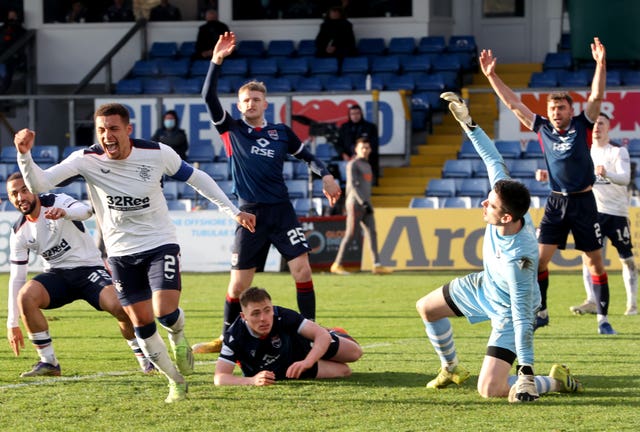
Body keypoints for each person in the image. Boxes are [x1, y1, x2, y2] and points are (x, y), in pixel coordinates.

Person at [13, 103, 256, 403]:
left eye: (113, 129)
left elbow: (197, 178)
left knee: (165, 312)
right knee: (141, 324)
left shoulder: (156, 153)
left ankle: (178, 336)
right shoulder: (86, 159)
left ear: (128, 130)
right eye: (101, 130)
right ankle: (174, 381)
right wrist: (24, 154)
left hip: (159, 242)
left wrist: (232, 212)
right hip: (120, 254)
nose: (107, 136)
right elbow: (39, 183)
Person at [416, 92, 584, 402]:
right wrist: (469, 123)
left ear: (506, 217)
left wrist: (526, 372)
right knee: (426, 308)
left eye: (490, 205)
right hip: (484, 284)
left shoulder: (520, 260)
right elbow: (492, 158)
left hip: (509, 312)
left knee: (490, 390)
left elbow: (523, 317)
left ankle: (555, 380)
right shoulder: (504, 196)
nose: (484, 203)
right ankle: (451, 368)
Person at [193, 31, 342, 354]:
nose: (251, 104)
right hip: (249, 214)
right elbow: (207, 96)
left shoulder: (281, 133)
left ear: (265, 103)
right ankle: (226, 339)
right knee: (239, 284)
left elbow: (308, 157)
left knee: (301, 270)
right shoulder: (230, 129)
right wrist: (216, 61)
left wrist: (327, 176)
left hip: (281, 211)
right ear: (239, 105)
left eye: (256, 100)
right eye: (246, 100)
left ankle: (309, 332)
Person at [479, 38, 616, 335]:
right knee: (538, 262)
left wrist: (601, 64)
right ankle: (541, 310)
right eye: (552, 108)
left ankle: (603, 318)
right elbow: (513, 104)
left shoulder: (583, 124)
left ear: (571, 110)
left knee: (595, 262)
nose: (556, 113)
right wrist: (491, 76)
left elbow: (596, 94)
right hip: (556, 203)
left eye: (561, 108)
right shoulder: (542, 127)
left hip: (584, 202)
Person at [5, 172, 153, 377]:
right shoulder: (19, 231)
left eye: (24, 190)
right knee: (25, 296)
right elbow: (17, 279)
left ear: (34, 189)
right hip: (57, 275)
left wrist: (65, 213)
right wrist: (12, 323)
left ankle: (145, 359)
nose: (20, 197)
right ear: (9, 198)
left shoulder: (56, 200)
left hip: (88, 269)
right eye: (14, 194)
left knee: (120, 307)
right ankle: (49, 362)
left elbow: (85, 211)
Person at [214, 287, 362, 386]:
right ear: (243, 316)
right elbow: (219, 377)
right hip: (284, 368)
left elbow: (321, 335)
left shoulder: (282, 315)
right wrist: (251, 380)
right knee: (345, 371)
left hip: (301, 347)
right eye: (256, 313)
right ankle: (319, 353)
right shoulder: (234, 336)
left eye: (267, 310)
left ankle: (334, 332)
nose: (263, 318)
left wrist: (307, 362)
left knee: (355, 352)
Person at [565, 113, 636, 316]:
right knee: (588, 258)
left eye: (601, 123)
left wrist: (607, 174)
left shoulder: (617, 151)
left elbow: (624, 178)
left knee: (626, 259)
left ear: (608, 128)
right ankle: (592, 300)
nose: (597, 127)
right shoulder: (584, 152)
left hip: (617, 214)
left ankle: (632, 304)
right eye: (594, 124)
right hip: (592, 213)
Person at [330, 137, 391, 275]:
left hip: (366, 204)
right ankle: (337, 264)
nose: (365, 150)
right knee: (351, 234)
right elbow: (354, 187)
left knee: (372, 233)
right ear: (356, 149)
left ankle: (377, 265)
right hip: (355, 204)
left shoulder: (367, 165)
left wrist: (367, 203)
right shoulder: (353, 164)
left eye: (367, 147)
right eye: (362, 147)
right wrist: (363, 202)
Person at [337, 104, 380, 185]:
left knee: (366, 183)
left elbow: (373, 145)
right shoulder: (344, 127)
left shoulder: (370, 127)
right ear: (349, 115)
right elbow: (338, 144)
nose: (355, 116)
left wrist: (359, 155)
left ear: (361, 114)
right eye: (352, 114)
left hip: (366, 161)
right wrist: (343, 154)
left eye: (357, 113)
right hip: (348, 159)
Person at [0, 9, 26, 93]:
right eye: (10, 15)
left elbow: (20, 37)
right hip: (2, 55)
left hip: (11, 56)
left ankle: (3, 92)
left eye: (13, 16)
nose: (11, 17)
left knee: (6, 77)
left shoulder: (19, 28)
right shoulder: (3, 27)